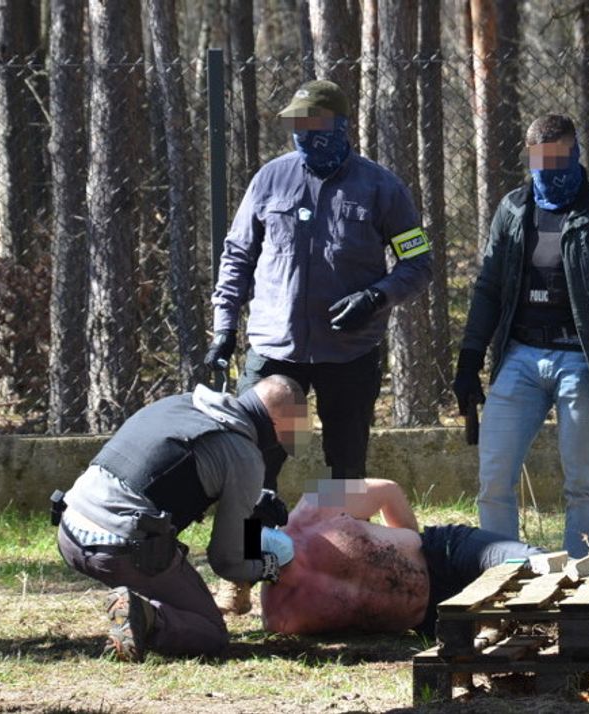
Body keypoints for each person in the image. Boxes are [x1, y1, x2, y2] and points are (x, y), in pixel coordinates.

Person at [205, 79, 431, 614]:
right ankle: (243, 576)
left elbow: (417, 262)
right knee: (256, 468)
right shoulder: (270, 180)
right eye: (298, 131)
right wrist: (221, 330)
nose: (306, 141)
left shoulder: (380, 188)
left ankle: (339, 575)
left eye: (317, 130)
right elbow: (237, 257)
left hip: (348, 354)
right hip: (274, 352)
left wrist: (377, 296)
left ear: (342, 127)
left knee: (345, 471)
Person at [452, 114, 589, 558]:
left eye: (562, 161)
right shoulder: (513, 210)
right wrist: (469, 359)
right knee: (495, 476)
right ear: (530, 159)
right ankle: (503, 572)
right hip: (520, 355)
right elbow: (488, 288)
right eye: (544, 163)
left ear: (577, 154)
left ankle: (580, 579)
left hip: (581, 359)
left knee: (582, 480)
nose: (553, 174)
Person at [53, 376, 309, 662]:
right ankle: (144, 614)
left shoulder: (181, 403)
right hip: (118, 550)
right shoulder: (244, 456)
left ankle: (137, 601)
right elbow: (226, 561)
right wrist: (270, 567)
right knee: (211, 634)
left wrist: (250, 501)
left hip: (70, 528)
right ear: (280, 421)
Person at [260, 478, 543, 637]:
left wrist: (409, 544)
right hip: (429, 620)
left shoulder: (317, 499)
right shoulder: (280, 616)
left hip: (445, 553)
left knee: (538, 567)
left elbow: (387, 489)